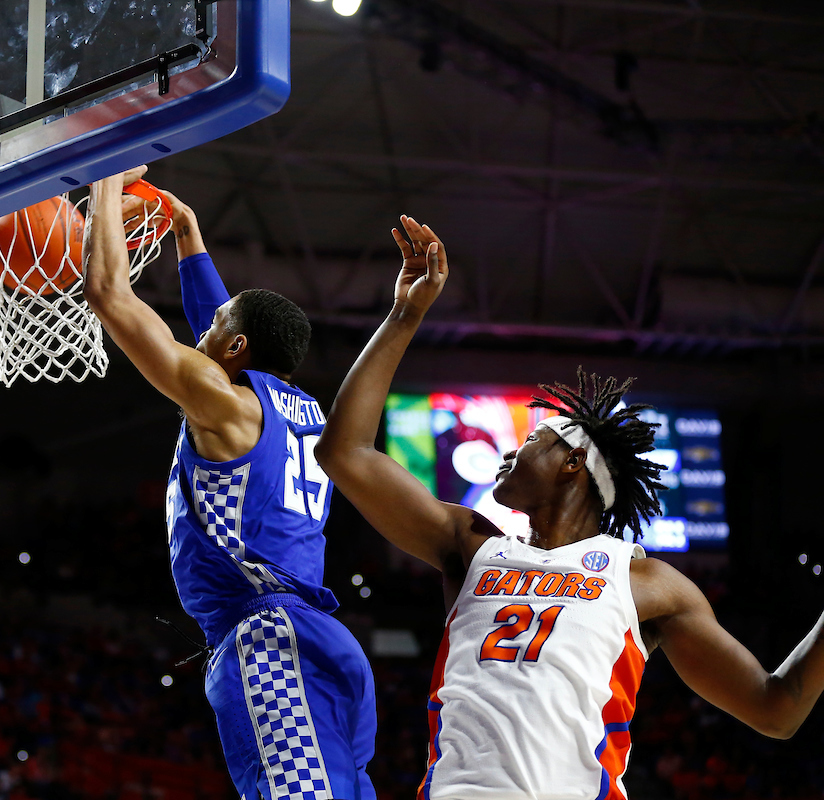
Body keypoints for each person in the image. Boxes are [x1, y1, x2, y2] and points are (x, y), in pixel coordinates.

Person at [314, 217, 824, 800]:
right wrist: (405, 315)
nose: (510, 450)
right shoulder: (472, 543)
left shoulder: (647, 582)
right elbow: (344, 451)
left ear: (573, 464)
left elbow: (776, 709)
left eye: (532, 442)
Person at [83, 166, 377, 800]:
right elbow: (217, 339)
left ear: (235, 345)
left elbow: (109, 292)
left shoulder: (225, 405)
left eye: (214, 326)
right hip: (316, 639)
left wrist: (102, 182)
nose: (203, 330)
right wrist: (188, 234)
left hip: (267, 639)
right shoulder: (300, 412)